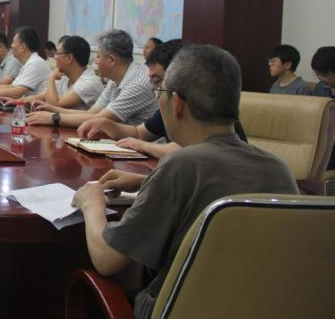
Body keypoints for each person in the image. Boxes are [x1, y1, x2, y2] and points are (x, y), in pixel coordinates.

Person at [71, 45, 298, 319]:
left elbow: (107, 260)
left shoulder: (179, 166)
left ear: (176, 102)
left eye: (160, 91)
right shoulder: (279, 169)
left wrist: (91, 203)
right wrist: (147, 182)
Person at [78, 40, 249, 158]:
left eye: (158, 81)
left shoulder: (208, 107)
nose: (156, 90)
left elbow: (192, 150)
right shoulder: (168, 104)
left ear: (178, 75)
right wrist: (108, 125)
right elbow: (139, 133)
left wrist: (145, 146)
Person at [26, 29, 157, 127]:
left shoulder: (137, 84)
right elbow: (92, 113)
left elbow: (99, 119)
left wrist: (53, 117)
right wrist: (52, 110)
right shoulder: (115, 80)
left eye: (98, 56)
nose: (95, 62)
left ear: (111, 59)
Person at [0, 35, 103, 110]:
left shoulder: (89, 82)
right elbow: (42, 96)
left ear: (69, 58)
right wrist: (17, 102)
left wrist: (52, 77)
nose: (55, 57)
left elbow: (55, 105)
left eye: (57, 53)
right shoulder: (65, 77)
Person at [0, 26, 51, 98]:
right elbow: (11, 87)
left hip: (37, 105)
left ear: (22, 47)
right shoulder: (27, 64)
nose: (11, 46)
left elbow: (16, 92)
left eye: (13, 42)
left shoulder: (34, 63)